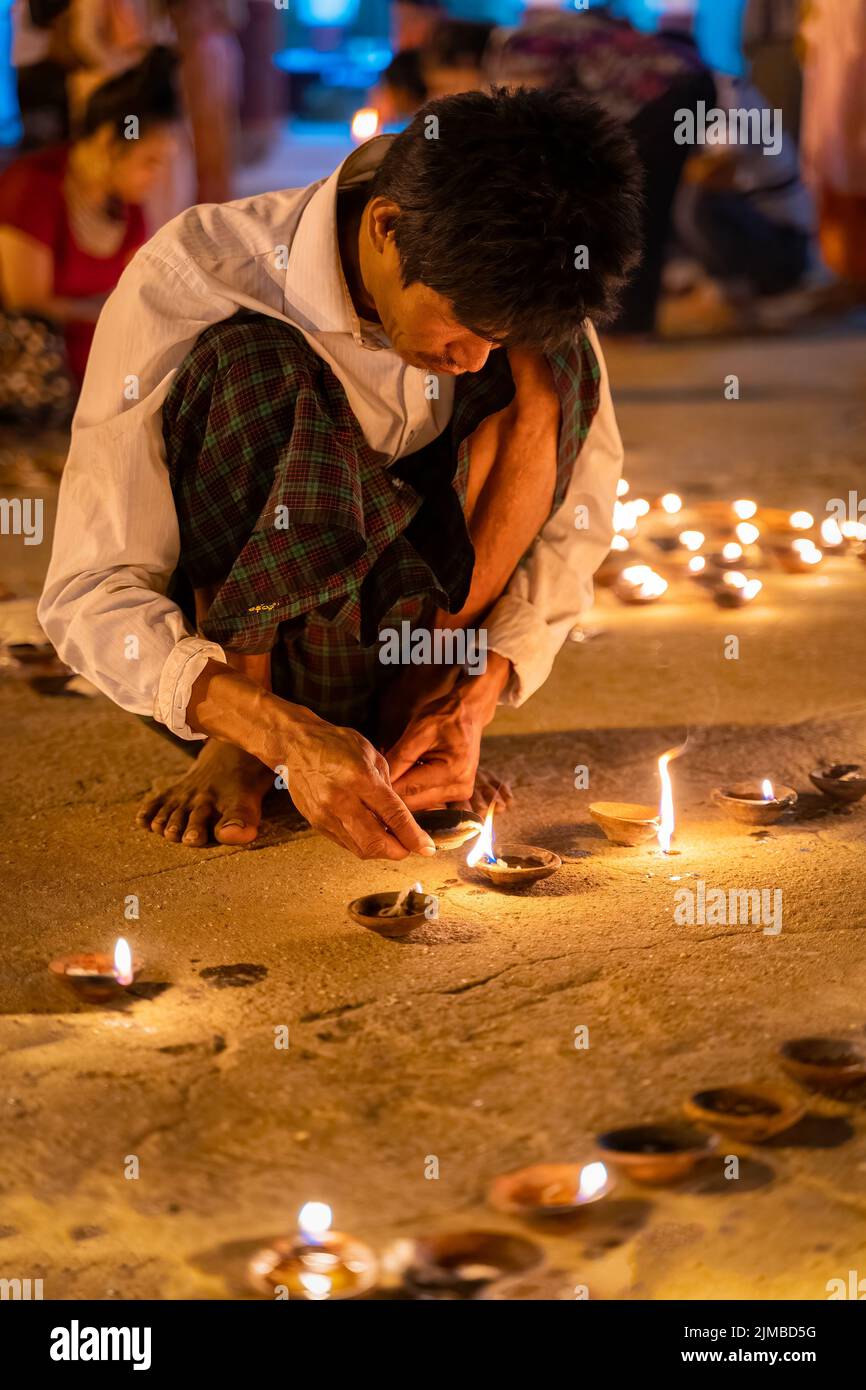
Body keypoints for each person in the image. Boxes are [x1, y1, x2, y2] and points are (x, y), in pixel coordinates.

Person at [39, 88, 641, 859]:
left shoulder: (521, 286)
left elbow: (576, 521)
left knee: (556, 364)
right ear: (387, 227)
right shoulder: (198, 275)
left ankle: (416, 718)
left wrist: (473, 699)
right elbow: (90, 592)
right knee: (255, 363)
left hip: (422, 653)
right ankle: (242, 745)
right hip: (237, 666)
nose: (473, 360)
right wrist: (279, 735)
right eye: (463, 328)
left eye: (495, 337)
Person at [0, 45, 178, 409]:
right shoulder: (33, 187)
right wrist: (110, 312)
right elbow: (26, 302)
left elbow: (139, 282)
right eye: (150, 161)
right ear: (107, 143)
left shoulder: (124, 202)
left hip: (104, 367)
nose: (158, 176)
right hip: (38, 380)